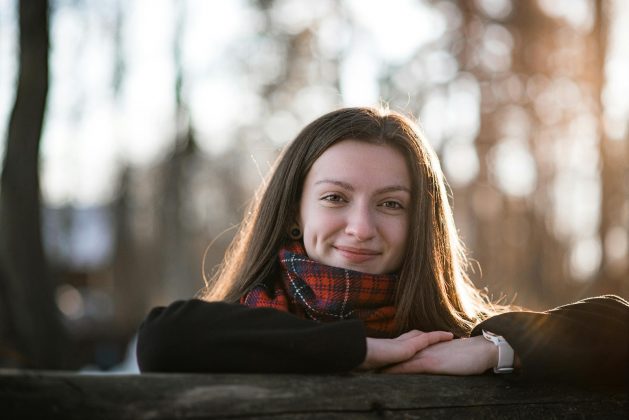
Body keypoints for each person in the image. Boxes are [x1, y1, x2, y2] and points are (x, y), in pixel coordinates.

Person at [137, 107, 628, 385]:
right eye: (335, 198)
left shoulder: (449, 341)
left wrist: (495, 351)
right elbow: (161, 339)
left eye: (391, 205)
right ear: (294, 212)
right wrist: (363, 351)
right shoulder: (235, 328)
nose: (361, 226)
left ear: (421, 224)